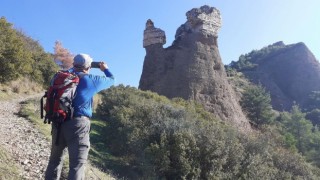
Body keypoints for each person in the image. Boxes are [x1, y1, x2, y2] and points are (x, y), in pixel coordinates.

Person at [45, 53, 115, 179]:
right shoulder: (91, 80)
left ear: (74, 64)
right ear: (88, 66)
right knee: (77, 165)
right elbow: (112, 79)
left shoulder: (60, 76)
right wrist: (104, 69)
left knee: (54, 161)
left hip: (58, 121)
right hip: (78, 126)